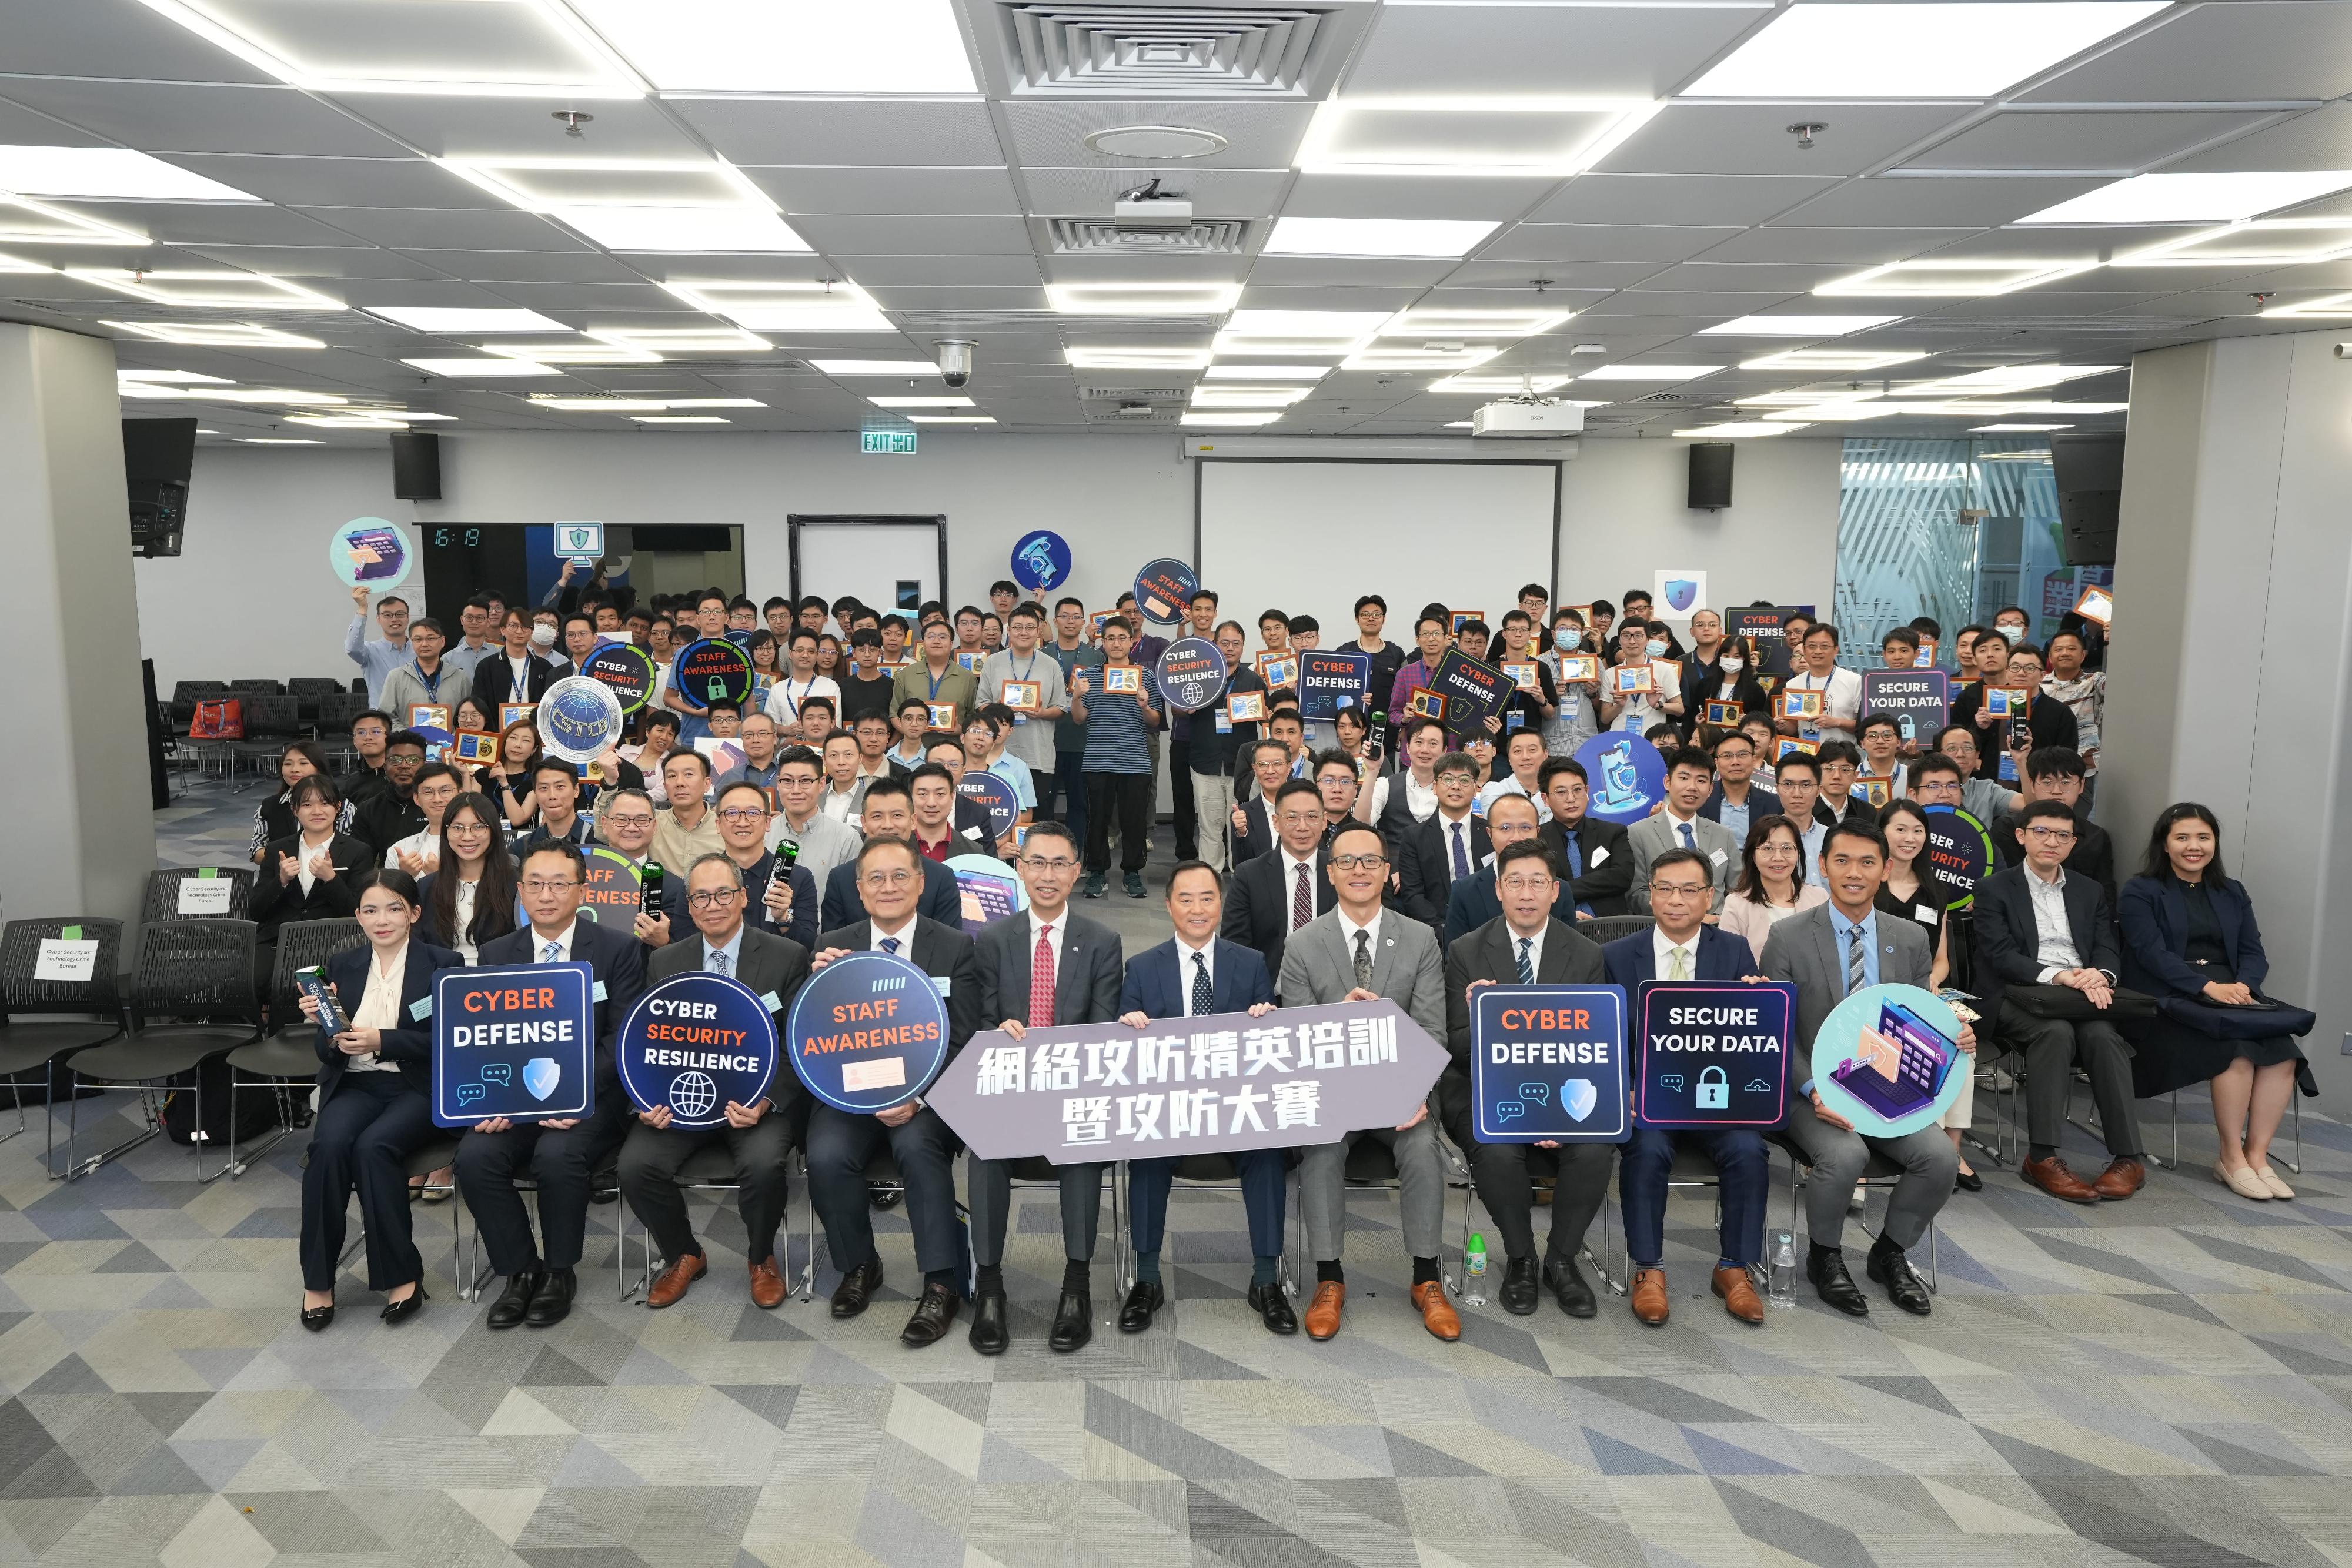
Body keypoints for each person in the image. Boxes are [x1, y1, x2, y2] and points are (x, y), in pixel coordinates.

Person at [1760, 818, 1960, 1318]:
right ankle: (1824, 1257)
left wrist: (1952, 1037)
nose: (1855, 872)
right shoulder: (1786, 937)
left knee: (1939, 1157)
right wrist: (1811, 1088)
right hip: (1808, 1089)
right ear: (1823, 866)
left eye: (1868, 862)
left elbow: (1919, 1021)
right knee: (1845, 1155)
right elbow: (1776, 1032)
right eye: (1843, 861)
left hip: (1885, 1089)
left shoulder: (1911, 937)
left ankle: (1889, 1252)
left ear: (1886, 868)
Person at [1279, 821, 1459, 1343]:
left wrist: (1412, 1093)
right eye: (1347, 862)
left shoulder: (1421, 938)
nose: (1359, 870)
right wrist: (1338, 1016)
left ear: (1388, 873)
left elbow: (1432, 1029)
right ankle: (1329, 1279)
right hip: (1331, 1095)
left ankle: (1427, 1277)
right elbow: (1296, 1038)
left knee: (1423, 1148)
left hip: (1400, 1094)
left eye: (1370, 861)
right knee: (1320, 1150)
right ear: (1330, 873)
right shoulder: (1302, 943)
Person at [456, 841, 647, 1329]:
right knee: (475, 1157)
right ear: (520, 891)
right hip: (516, 1096)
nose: (547, 894)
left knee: (557, 1155)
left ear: (582, 890)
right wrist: (491, 1095)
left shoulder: (616, 947)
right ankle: (521, 1269)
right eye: (536, 883)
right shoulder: (498, 953)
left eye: (560, 883)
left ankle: (560, 1270)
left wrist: (575, 1091)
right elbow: (485, 1040)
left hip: (591, 1098)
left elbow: (621, 1037)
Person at [804, 837, 981, 1346]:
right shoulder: (831, 944)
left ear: (921, 883)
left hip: (925, 1095)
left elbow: (964, 1037)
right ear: (859, 889)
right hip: (850, 1092)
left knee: (917, 1148)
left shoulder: (953, 945)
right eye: (875, 878)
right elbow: (809, 1034)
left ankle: (941, 1282)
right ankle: (859, 1264)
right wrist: (818, 984)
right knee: (827, 1154)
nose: (888, 887)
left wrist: (918, 1099)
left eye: (900, 876)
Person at [624, 852, 812, 1310]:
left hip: (756, 1103)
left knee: (766, 1164)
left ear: (744, 897)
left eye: (724, 893)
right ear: (688, 906)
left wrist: (767, 1100)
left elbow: (798, 1043)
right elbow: (650, 1040)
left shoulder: (787, 956)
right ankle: (684, 1252)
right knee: (634, 1165)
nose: (713, 905)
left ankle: (760, 1256)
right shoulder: (665, 961)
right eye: (701, 897)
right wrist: (645, 1099)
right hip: (682, 1100)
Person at [963, 823, 1124, 1354]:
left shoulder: (1102, 941)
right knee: (985, 1149)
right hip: (1009, 1091)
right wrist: (999, 1037)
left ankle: (1076, 1287)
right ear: (1020, 868)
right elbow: (981, 1028)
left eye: (1060, 864)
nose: (1048, 874)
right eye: (1037, 863)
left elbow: (1101, 1032)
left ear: (1077, 872)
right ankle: (990, 1287)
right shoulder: (993, 939)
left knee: (1081, 1146)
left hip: (1072, 1091)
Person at [1114, 861, 1294, 1335]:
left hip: (1237, 1107)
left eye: (1208, 897)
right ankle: (1148, 1279)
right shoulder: (1142, 967)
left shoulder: (1250, 962)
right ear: (1169, 904)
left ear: (1221, 902)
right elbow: (1122, 1060)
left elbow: (1267, 1054)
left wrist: (1265, 1018)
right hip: (1170, 1109)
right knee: (1147, 1150)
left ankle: (1266, 1279)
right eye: (1186, 898)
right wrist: (1128, 1028)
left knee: (1268, 1150)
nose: (1198, 908)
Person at [1442, 839, 1611, 1317]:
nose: (1526, 893)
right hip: (1485, 1088)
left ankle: (1561, 1258)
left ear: (1555, 891)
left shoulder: (1583, 953)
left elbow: (1593, 1047)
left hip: (1567, 1091)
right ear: (1498, 889)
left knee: (1597, 1148)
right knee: (1495, 1150)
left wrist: (1557, 1112)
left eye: (1538, 882)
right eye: (1514, 882)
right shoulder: (1466, 950)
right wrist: (1482, 1016)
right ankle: (1521, 1257)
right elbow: (1455, 1045)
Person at [1601, 850, 1770, 1326]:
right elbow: (1603, 1037)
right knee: (1646, 1148)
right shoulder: (1616, 955)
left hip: (1717, 1099)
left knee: (1748, 1148)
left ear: (1709, 897)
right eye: (1665, 888)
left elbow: (1752, 1038)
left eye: (1689, 890)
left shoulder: (1734, 951)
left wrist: (1757, 1002)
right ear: (1650, 893)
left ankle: (1734, 1267)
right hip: (1648, 1099)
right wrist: (1626, 1089)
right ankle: (1649, 1270)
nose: (1676, 900)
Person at [295, 868, 463, 1330]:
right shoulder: (343, 964)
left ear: (414, 912)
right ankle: (317, 1280)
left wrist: (382, 1040)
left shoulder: (443, 963)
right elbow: (325, 1050)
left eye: (393, 908)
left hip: (417, 1086)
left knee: (373, 1148)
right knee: (327, 1149)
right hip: (355, 1083)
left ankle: (402, 1276)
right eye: (370, 909)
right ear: (358, 917)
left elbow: (447, 1042)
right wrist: (325, 1027)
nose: (382, 919)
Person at [2119, 803, 2303, 1202]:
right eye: (2182, 837)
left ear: (2214, 843)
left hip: (2232, 996)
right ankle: (2231, 1157)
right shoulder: (2141, 890)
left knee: (2283, 1052)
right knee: (2235, 1052)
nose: (2194, 846)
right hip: (2167, 999)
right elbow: (2151, 955)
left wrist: (2244, 985)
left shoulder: (2231, 891)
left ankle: (2257, 1155)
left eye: (2203, 837)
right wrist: (2207, 987)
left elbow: (2254, 951)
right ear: (2165, 844)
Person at [1974, 798, 2145, 1204]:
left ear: (2073, 843)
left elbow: (2108, 947)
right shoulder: (1994, 888)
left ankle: (2129, 1158)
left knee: (2104, 1036)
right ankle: (2043, 1157)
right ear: (2021, 836)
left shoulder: (2089, 890)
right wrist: (2060, 975)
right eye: (2042, 832)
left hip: (2081, 992)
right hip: (2019, 991)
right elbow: (2001, 956)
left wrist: (2099, 974)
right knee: (2055, 1032)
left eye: (2062, 835)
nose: (2052, 841)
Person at [1877, 798, 1969, 1186]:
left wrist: (1932, 980)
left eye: (1918, 830)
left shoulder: (1936, 889)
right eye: (1900, 829)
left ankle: (1952, 1146)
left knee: (1962, 1033)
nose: (1910, 838)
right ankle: (1918, 1140)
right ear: (1882, 832)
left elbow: (1942, 958)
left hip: (1923, 988)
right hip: (1874, 988)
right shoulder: (1867, 883)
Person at [1070, 616, 1162, 900]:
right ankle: (1097, 872)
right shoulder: (1089, 676)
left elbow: (1155, 720)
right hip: (1097, 760)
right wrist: (1075, 696)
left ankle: (1132, 873)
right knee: (1096, 820)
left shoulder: (1145, 677)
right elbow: (1078, 720)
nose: (1116, 643)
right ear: (1103, 642)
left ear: (1132, 641)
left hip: (1135, 761)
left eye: (1122, 638)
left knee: (1134, 821)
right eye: (1110, 638)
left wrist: (1145, 706)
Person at [250, 775, 372, 984]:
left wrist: (331, 879)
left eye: (325, 803)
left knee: (314, 989)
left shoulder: (358, 851)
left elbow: (359, 913)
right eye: (307, 804)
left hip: (331, 942)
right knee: (251, 984)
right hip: (278, 941)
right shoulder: (276, 849)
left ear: (338, 807)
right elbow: (255, 911)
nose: (317, 811)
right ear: (294, 810)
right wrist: (281, 881)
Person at [1223, 778, 1335, 984]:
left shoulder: (1341, 870)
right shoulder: (1249, 875)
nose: (1302, 827)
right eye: (1291, 817)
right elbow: (1234, 945)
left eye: (1312, 817)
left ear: (1324, 820)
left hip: (1333, 992)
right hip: (1270, 993)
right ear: (1276, 822)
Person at [815, 776, 964, 929]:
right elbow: (833, 943)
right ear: (864, 823)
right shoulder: (841, 878)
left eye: (897, 815)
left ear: (913, 821)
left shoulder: (941, 877)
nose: (887, 825)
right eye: (877, 816)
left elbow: (949, 945)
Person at [1992, 748, 2117, 908]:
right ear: (2032, 785)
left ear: (2081, 785)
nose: (2056, 791)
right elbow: (2001, 886)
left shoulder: (2096, 837)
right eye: (2047, 783)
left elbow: (2106, 897)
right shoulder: (2007, 829)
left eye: (2065, 783)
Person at [1441, 791, 1568, 942]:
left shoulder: (1559, 889)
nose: (1516, 837)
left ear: (1538, 832)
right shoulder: (1464, 891)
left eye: (1526, 827)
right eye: (1505, 828)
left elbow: (1570, 954)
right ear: (1490, 833)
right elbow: (1456, 959)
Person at [709, 780, 819, 950]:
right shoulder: (701, 878)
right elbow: (686, 943)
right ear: (718, 824)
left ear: (768, 823)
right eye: (731, 813)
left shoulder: (799, 877)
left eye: (753, 813)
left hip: (778, 974)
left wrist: (783, 917)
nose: (742, 822)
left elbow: (808, 945)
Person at [1627, 747, 1739, 912]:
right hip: (1661, 927)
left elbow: (1738, 890)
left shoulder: (1724, 835)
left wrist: (1719, 918)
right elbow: (1636, 893)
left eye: (1701, 781)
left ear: (1710, 789)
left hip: (1715, 927)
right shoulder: (1638, 833)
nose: (1692, 787)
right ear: (1667, 782)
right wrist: (1682, 914)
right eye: (1684, 778)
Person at [416, 791, 516, 964]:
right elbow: (419, 949)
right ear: (446, 832)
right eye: (457, 828)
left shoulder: (515, 885)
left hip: (500, 983)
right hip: (442, 982)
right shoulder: (426, 887)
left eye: (478, 827)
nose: (467, 837)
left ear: (493, 830)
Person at [1396, 751, 1489, 931]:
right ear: (1435, 787)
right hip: (1437, 930)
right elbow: (1413, 895)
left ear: (1476, 788)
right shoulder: (1414, 837)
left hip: (1488, 927)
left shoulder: (1491, 832)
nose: (1456, 786)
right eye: (1447, 779)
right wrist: (1442, 930)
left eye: (1464, 780)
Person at [1538, 758, 1634, 919]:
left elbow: (1622, 876)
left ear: (1587, 791)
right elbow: (1539, 886)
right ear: (1545, 799)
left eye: (1577, 790)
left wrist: (1563, 889)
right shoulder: (1537, 839)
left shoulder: (1613, 832)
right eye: (1561, 792)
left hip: (1610, 927)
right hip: (1559, 925)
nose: (1571, 799)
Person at [1718, 814, 1827, 950]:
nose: (1778, 857)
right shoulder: (1736, 904)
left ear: (1798, 853)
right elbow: (1728, 960)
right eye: (1768, 848)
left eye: (1787, 848)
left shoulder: (1819, 898)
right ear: (1753, 855)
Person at [767, 744, 860, 887]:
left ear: (822, 784)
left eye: (805, 781)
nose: (796, 790)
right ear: (778, 784)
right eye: (787, 781)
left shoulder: (846, 839)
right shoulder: (763, 834)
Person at [249, 741, 354, 862]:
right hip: (282, 876)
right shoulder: (269, 807)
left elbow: (350, 850)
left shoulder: (341, 805)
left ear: (319, 769)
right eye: (288, 764)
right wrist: (293, 858)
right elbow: (257, 852)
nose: (294, 769)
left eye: (303, 763)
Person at [890, 616, 981, 735]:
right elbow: (895, 714)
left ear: (951, 643)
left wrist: (962, 730)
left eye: (943, 637)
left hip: (953, 748)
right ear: (923, 643)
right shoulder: (905, 675)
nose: (936, 641)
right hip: (915, 748)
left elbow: (974, 716)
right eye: (931, 637)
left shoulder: (967, 678)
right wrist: (912, 733)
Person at [2043, 628, 2105, 797]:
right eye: (2059, 649)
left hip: (2081, 768)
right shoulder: (2038, 686)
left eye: (2071, 649)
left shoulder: (2094, 681)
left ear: (2083, 655)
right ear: (2050, 657)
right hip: (2042, 769)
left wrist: (2111, 645)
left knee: (2076, 821)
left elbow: (2121, 683)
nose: (2065, 653)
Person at [1778, 623, 1863, 743]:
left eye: (1824, 646)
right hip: (1808, 755)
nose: (1818, 651)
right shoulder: (1793, 684)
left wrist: (1836, 722)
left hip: (1844, 756)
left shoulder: (1854, 681)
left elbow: (1865, 726)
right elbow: (1792, 728)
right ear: (1804, 650)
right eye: (1812, 646)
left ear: (1836, 650)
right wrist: (1782, 725)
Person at [351, 731, 429, 860]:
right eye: (395, 760)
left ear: (425, 765)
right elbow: (362, 864)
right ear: (385, 766)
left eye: (413, 760)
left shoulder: (438, 805)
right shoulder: (369, 810)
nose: (404, 766)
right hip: (388, 877)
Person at [379, 617, 472, 722]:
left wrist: (452, 737)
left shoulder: (460, 677)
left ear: (442, 641)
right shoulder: (396, 677)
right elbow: (386, 718)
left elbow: (469, 716)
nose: (424, 644)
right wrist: (408, 737)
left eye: (430, 639)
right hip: (408, 738)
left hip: (450, 738)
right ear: (412, 643)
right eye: (418, 640)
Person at [382, 760, 462, 878]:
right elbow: (388, 895)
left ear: (460, 794)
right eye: (428, 792)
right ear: (416, 799)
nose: (437, 799)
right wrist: (404, 876)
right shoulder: (401, 850)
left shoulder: (475, 843)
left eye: (445, 791)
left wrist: (438, 876)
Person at [1700, 727, 1780, 843]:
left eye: (1742, 755)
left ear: (1753, 760)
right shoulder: (1701, 798)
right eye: (1727, 756)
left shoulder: (1774, 804)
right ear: (1716, 763)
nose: (1735, 762)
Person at [651, 751, 721, 875]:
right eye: (672, 776)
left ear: (707, 784)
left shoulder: (725, 826)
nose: (679, 783)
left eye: (689, 774)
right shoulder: (650, 823)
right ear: (665, 786)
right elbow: (606, 835)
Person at [762, 627, 842, 735]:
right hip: (786, 751)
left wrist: (799, 739)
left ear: (817, 655)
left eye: (811, 651)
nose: (805, 655)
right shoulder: (777, 688)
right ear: (790, 654)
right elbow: (768, 726)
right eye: (800, 650)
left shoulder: (830, 687)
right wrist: (786, 730)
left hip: (820, 750)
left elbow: (835, 727)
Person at [344, 587, 412, 707]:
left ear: (408, 617)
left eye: (400, 614)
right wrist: (362, 608)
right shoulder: (370, 651)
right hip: (383, 720)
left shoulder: (420, 650)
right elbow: (352, 648)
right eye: (387, 615)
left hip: (416, 716)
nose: (395, 619)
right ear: (378, 619)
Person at [1769, 751, 1830, 885]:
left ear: (1819, 790)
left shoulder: (1832, 838)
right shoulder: (1765, 840)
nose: (1797, 794)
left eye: (1806, 785)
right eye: (1788, 785)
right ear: (1777, 789)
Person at [1230, 737, 1294, 865]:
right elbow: (1240, 866)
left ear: (1288, 767)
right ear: (1255, 769)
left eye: (1277, 764)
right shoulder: (1243, 814)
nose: (1270, 771)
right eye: (1263, 765)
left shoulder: (1307, 806)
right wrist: (1242, 834)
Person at [512, 758, 594, 853]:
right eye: (544, 788)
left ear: (576, 790)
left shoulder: (596, 841)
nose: (552, 796)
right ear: (535, 793)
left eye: (559, 787)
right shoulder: (522, 848)